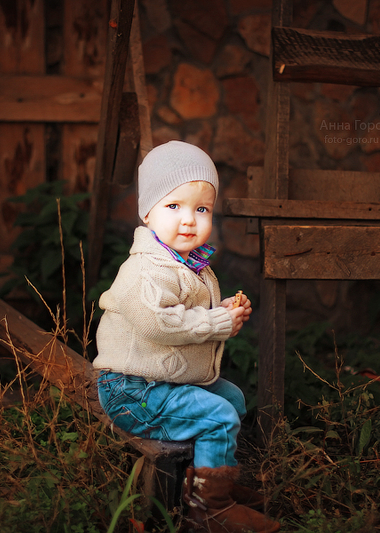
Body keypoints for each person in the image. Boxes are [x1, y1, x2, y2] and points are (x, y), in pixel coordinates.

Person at [93, 141, 280, 533]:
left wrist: (223, 310)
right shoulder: (145, 269)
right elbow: (158, 323)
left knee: (233, 399)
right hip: (132, 392)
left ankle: (208, 482)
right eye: (174, 206)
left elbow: (190, 313)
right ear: (147, 212)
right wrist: (216, 322)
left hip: (160, 381)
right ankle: (207, 509)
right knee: (218, 415)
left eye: (202, 209)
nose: (189, 220)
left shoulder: (190, 265)